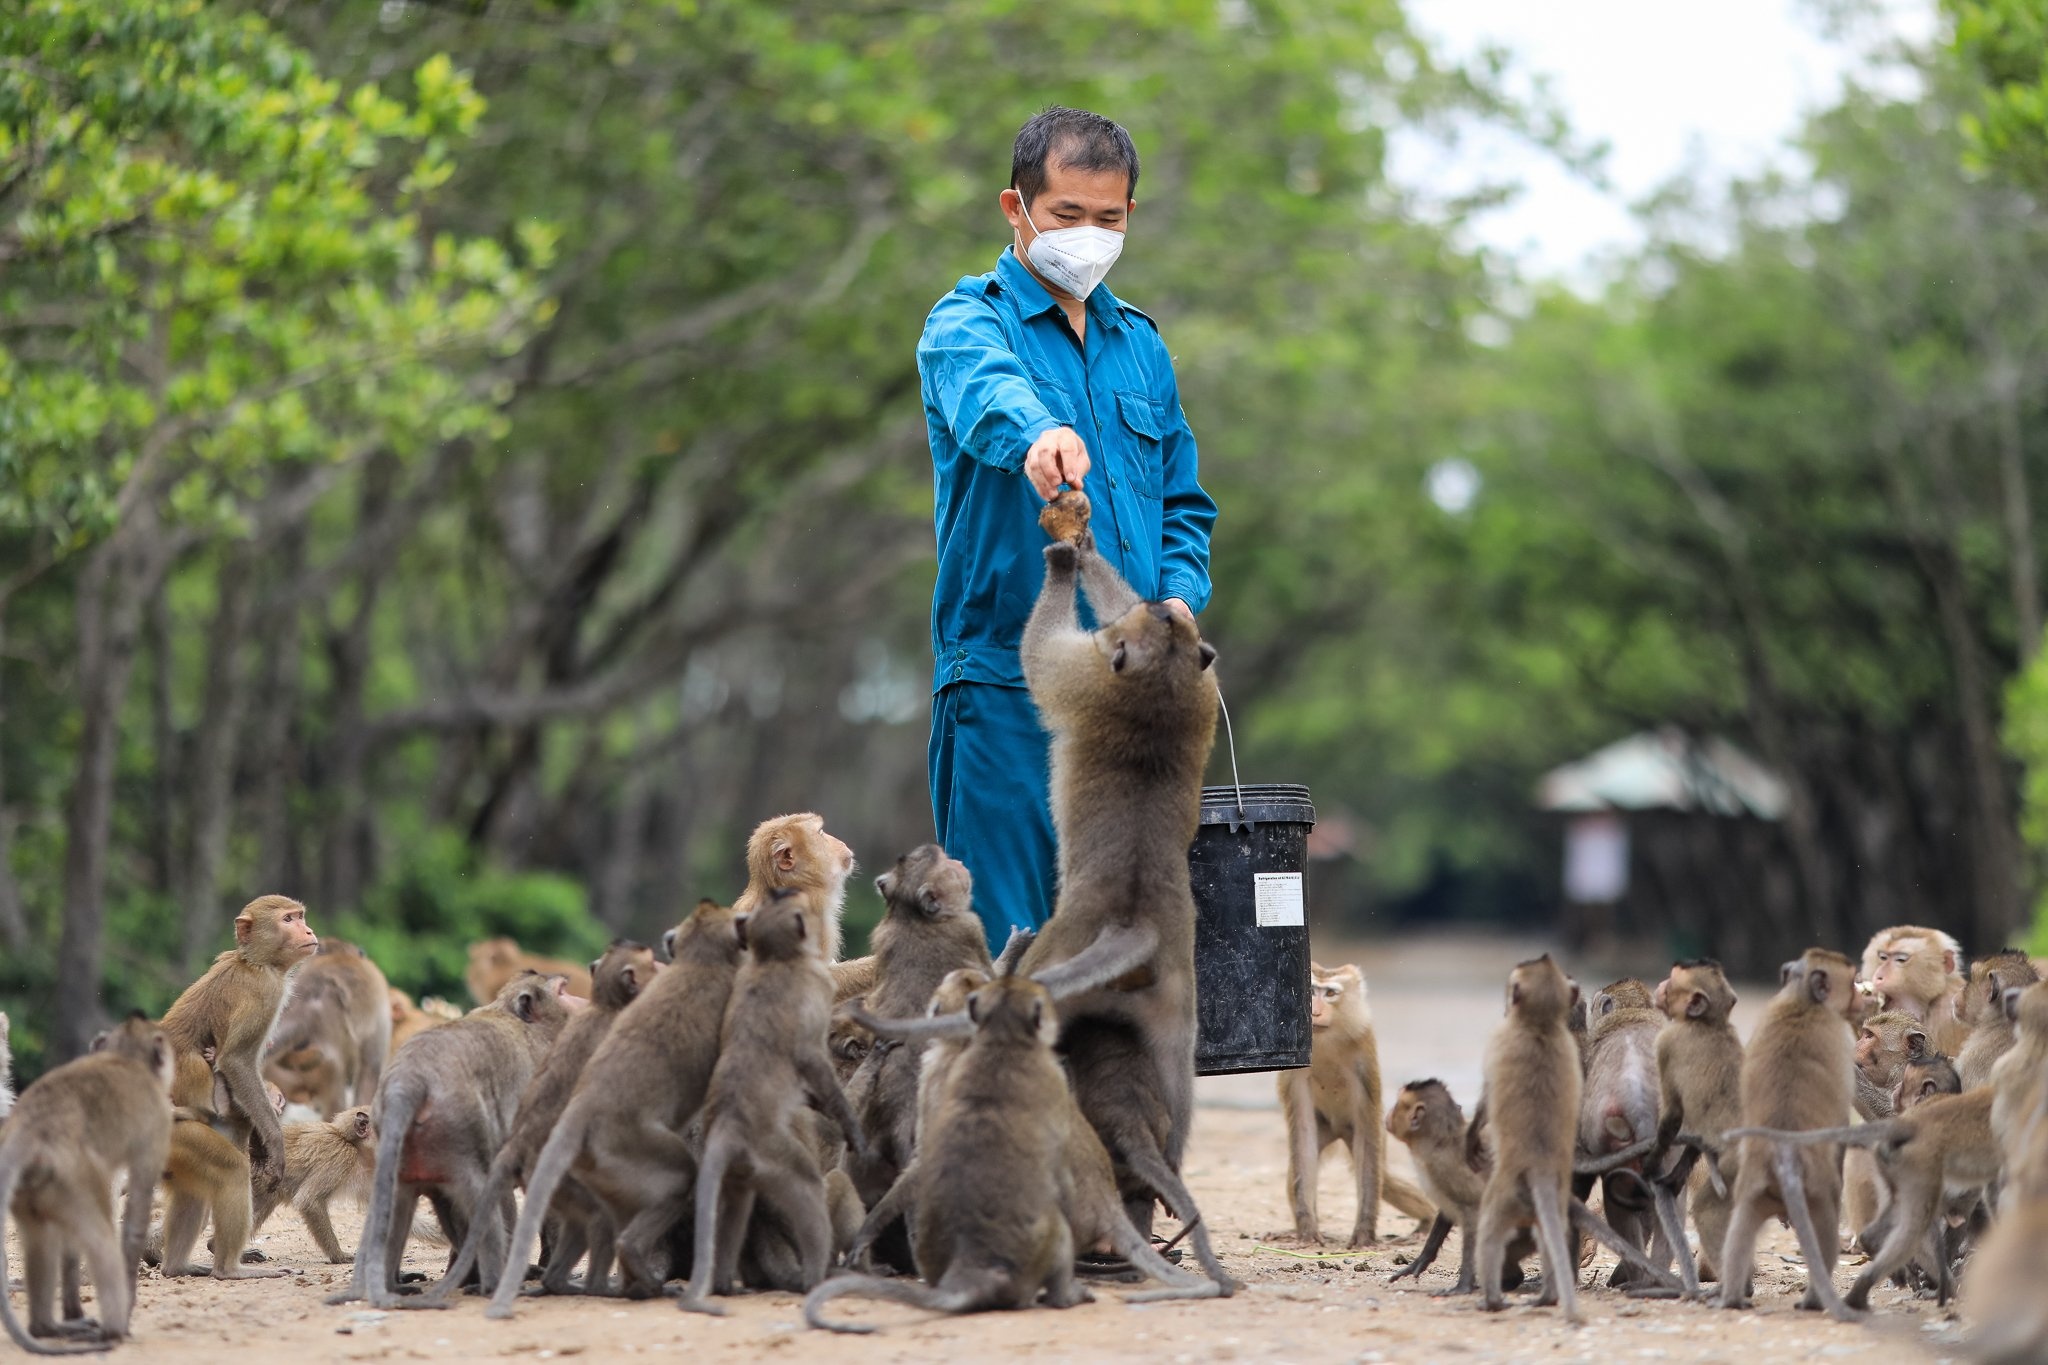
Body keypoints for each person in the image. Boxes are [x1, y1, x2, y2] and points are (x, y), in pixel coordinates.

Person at [918, 106, 1217, 954]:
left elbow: (1185, 504)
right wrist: (1035, 434)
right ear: (1017, 210)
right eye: (1067, 215)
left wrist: (1177, 602)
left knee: (1118, 953)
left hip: (1132, 702)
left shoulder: (1141, 348)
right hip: (1012, 692)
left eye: (1109, 218)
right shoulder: (965, 321)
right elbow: (987, 392)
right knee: (1010, 954)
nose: (1089, 236)